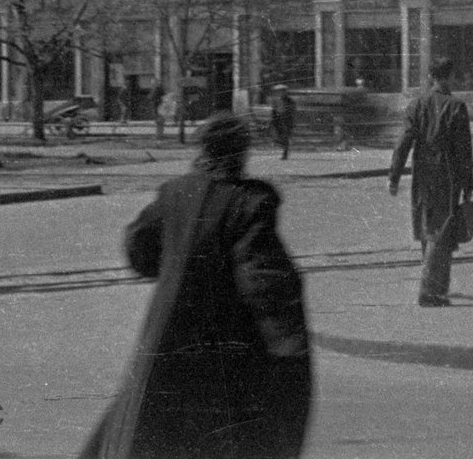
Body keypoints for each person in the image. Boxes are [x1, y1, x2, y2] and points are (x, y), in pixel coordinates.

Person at [80, 115, 311, 459]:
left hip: (166, 341)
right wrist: (287, 344)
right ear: (241, 153)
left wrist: (176, 266)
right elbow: (262, 280)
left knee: (153, 431)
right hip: (227, 348)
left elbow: (139, 249)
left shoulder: (174, 193)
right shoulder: (249, 204)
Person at [388, 56, 473, 308]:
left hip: (421, 174)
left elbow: (404, 141)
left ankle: (437, 288)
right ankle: (430, 292)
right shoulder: (456, 106)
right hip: (446, 175)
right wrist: (468, 185)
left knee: (427, 227)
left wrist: (394, 176)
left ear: (431, 77)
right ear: (449, 77)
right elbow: (464, 150)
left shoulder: (417, 105)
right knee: (442, 232)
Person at [270, 85, 296, 160]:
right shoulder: (277, 100)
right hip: (278, 120)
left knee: (285, 136)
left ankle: (285, 152)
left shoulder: (290, 100)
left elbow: (291, 111)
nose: (280, 93)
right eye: (279, 91)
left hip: (287, 121)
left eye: (282, 91)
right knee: (278, 136)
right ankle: (285, 149)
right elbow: (274, 110)